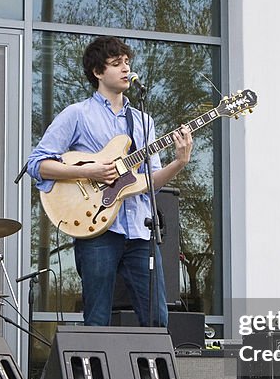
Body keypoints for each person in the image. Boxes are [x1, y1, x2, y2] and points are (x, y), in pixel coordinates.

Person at [26, 36, 193, 327]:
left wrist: (179, 162)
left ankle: (150, 373)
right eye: (116, 64)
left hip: (140, 232)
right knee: (98, 317)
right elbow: (37, 164)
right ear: (98, 72)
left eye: (127, 63)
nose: (126, 69)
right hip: (97, 228)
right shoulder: (77, 114)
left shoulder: (144, 121)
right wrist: (88, 171)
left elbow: (150, 181)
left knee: (157, 319)